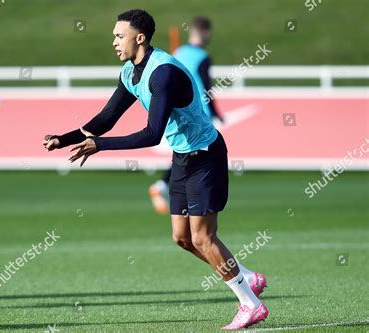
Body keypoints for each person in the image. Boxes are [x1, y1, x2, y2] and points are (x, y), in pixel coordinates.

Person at [43, 9, 268, 329]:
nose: (114, 42)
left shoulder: (163, 73)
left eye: (119, 36)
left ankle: (250, 303)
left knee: (203, 237)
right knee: (182, 238)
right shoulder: (129, 72)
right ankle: (246, 276)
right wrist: (62, 139)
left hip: (205, 156)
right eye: (113, 36)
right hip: (182, 158)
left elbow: (152, 133)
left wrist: (101, 146)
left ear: (140, 38)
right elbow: (106, 119)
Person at [149, 16, 224, 215]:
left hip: (177, 110)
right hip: (199, 111)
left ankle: (163, 187)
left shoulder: (178, 52)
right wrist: (216, 113)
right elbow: (207, 88)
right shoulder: (203, 57)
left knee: (184, 153)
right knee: (199, 157)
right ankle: (182, 196)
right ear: (206, 33)